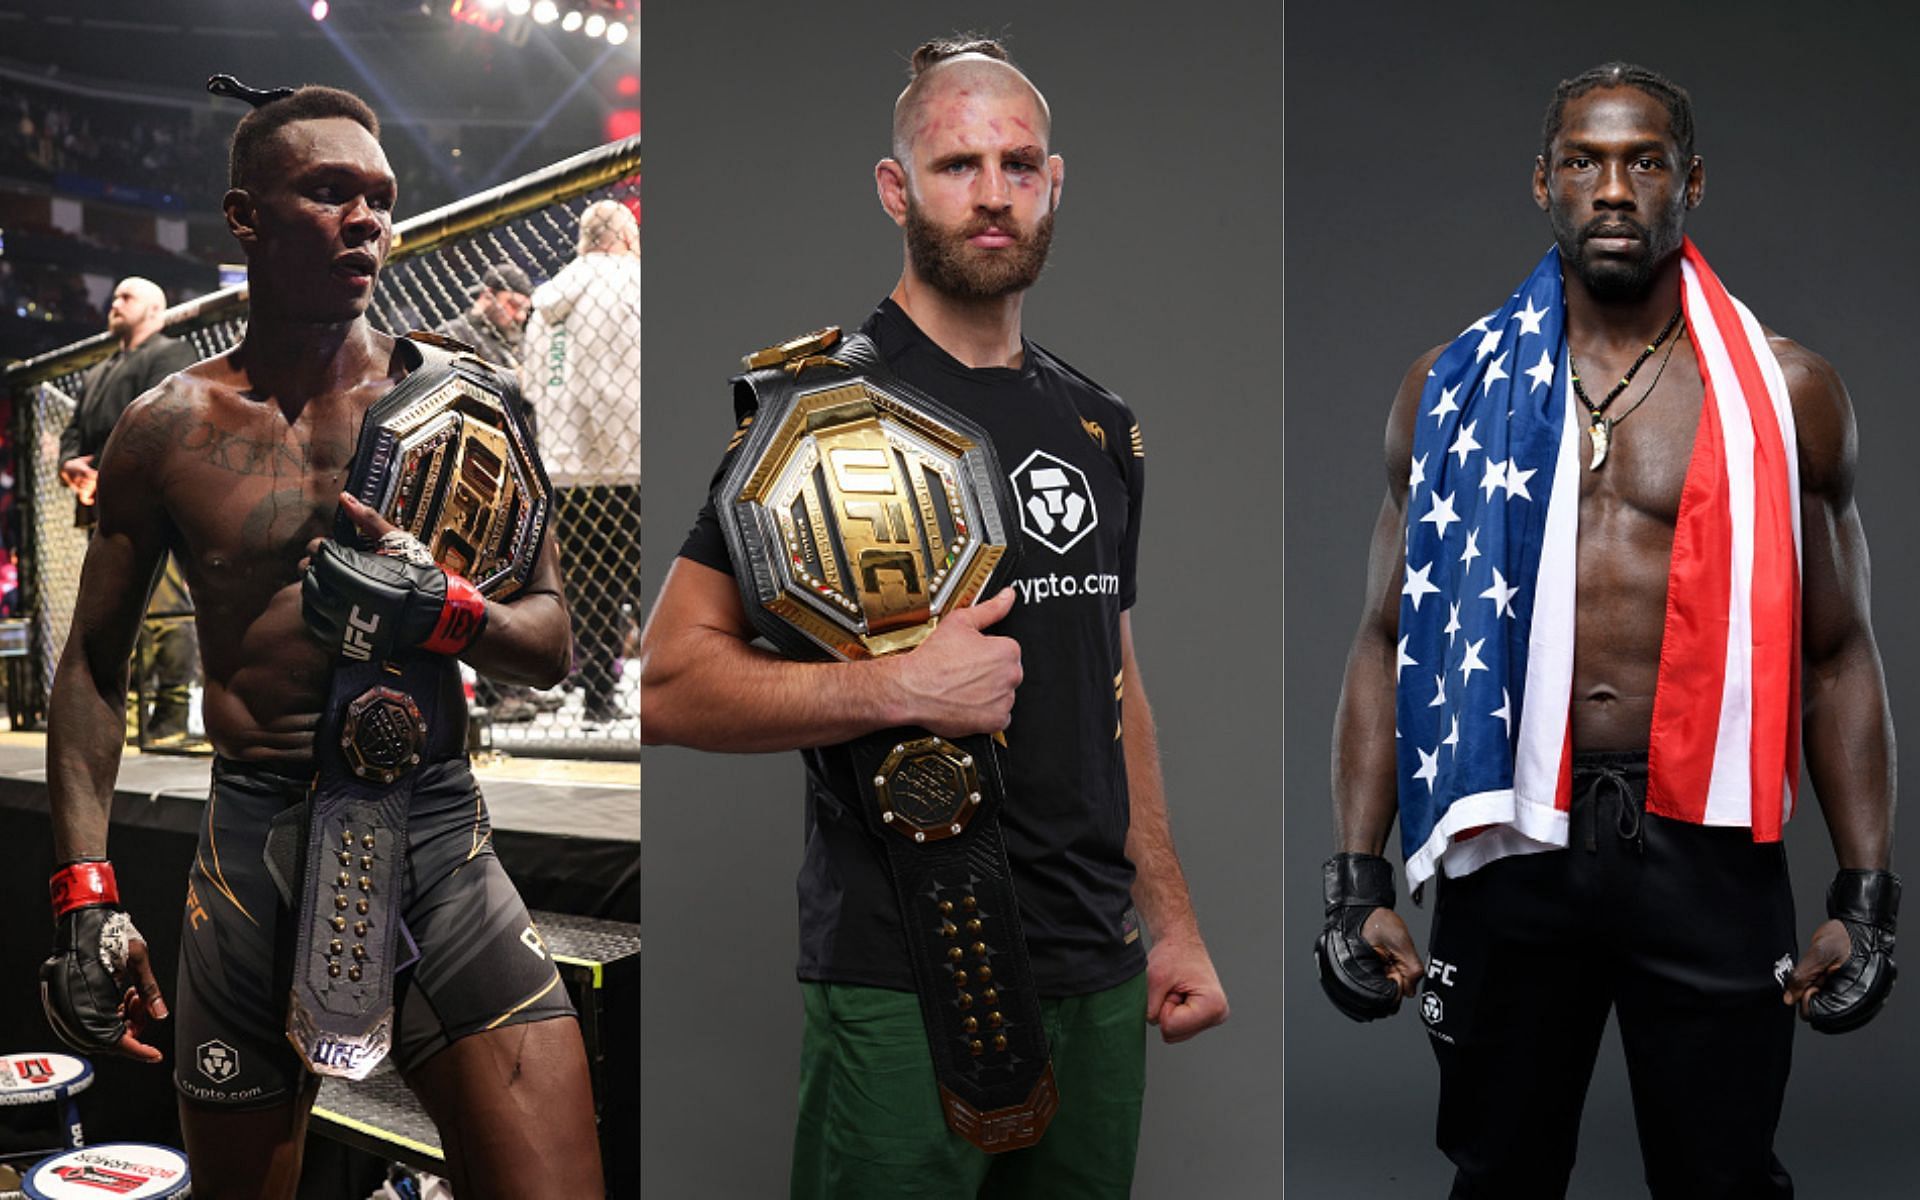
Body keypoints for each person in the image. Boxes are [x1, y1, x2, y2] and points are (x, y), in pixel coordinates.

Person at [642, 36, 1228, 1197]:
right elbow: (666, 682)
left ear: (1054, 182)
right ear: (896, 188)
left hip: (1098, 972)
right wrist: (891, 687)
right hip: (905, 972)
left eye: (1019, 163)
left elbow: (1117, 685)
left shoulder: (1100, 425)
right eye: (959, 164)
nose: (994, 194)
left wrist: (1171, 921)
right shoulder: (816, 414)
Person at [1316, 63, 1898, 1198]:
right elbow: (1387, 637)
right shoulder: (1447, 387)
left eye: (1644, 162)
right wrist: (1353, 876)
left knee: (1724, 1175)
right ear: (1546, 182)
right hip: (1508, 839)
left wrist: (1866, 898)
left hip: (1709, 850)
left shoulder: (1789, 392)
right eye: (1586, 161)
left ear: (1691, 181)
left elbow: (1838, 653)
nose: (1615, 188)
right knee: (1497, 1172)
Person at [36, 84, 603, 1200]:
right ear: (246, 216)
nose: (365, 221)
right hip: (253, 849)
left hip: (435, 833)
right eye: (329, 191)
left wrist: (442, 610)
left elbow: (550, 643)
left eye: (380, 199)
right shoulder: (167, 427)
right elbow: (95, 670)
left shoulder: (461, 403)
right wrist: (84, 895)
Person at [58, 277, 201, 743]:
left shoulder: (169, 355)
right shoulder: (99, 371)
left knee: (164, 611)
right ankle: (133, 716)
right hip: (104, 511)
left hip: (152, 507)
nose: (114, 303)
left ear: (156, 309)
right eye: (114, 296)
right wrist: (72, 466)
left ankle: (171, 717)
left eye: (127, 297)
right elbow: (74, 433)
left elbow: (165, 426)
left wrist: (101, 468)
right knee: (114, 614)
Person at [522, 199, 641, 728]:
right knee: (646, 576)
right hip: (633, 458)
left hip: (568, 467)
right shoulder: (634, 284)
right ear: (623, 236)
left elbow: (532, 383)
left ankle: (596, 698)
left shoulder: (548, 299)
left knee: (591, 582)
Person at [435, 261, 533, 369]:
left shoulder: (522, 342)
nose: (521, 316)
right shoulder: (455, 334)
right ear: (488, 296)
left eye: (525, 310)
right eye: (513, 305)